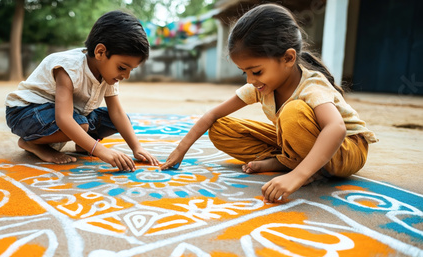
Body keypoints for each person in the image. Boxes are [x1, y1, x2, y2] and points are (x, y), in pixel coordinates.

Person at [161, 4, 377, 203]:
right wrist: (181, 150)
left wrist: (296, 177)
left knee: (292, 113)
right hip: (299, 141)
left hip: (346, 149)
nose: (250, 80)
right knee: (220, 129)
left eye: (256, 71)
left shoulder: (312, 86)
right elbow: (212, 115)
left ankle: (301, 167)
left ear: (288, 58)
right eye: (244, 72)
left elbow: (336, 128)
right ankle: (288, 161)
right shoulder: (263, 85)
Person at [5, 10, 159, 170]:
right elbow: (64, 118)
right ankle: (30, 143)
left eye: (130, 70)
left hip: (68, 116)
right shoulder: (69, 68)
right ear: (100, 52)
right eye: (122, 67)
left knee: (118, 120)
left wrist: (137, 148)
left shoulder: (108, 73)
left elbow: (117, 113)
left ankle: (82, 144)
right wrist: (100, 150)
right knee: (81, 125)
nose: (125, 75)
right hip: (24, 113)